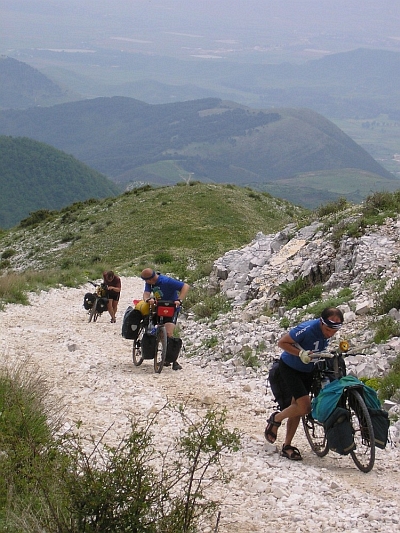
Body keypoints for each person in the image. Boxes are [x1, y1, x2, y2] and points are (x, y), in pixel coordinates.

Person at [264, 306, 344, 461]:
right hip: (290, 368)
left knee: (297, 408)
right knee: (304, 407)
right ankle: (276, 419)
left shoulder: (329, 331)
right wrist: (300, 353)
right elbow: (283, 342)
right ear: (321, 322)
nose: (331, 333)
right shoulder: (307, 329)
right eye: (328, 329)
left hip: (309, 369)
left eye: (335, 329)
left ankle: (287, 445)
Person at [141, 268, 190, 370]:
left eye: (146, 280)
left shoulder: (166, 281)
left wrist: (179, 300)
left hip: (171, 308)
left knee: (169, 333)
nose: (145, 282)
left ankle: (172, 360)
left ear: (150, 279)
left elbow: (185, 286)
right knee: (153, 327)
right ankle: (160, 352)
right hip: (158, 307)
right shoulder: (149, 283)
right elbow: (146, 293)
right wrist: (147, 299)